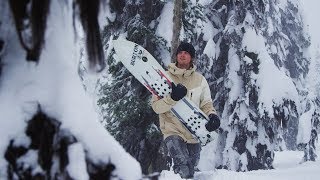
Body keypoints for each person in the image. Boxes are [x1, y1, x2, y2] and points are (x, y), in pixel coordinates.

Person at [151, 42, 220, 178]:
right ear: (176, 56)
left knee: (190, 169)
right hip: (172, 130)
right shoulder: (163, 77)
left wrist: (212, 116)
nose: (182, 55)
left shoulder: (200, 80)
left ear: (192, 58)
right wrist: (172, 98)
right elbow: (156, 107)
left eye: (186, 53)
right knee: (182, 166)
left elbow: (206, 103)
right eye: (180, 52)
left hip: (194, 133)